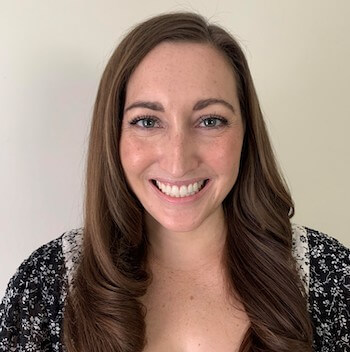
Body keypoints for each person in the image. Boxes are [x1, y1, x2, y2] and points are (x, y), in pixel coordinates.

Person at [0, 11, 349, 352]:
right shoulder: (44, 286)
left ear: (246, 133)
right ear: (113, 136)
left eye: (210, 120)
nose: (178, 161)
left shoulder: (331, 277)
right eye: (148, 122)